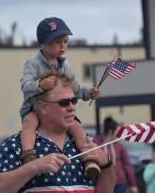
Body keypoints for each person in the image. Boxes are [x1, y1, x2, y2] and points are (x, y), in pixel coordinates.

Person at [0, 72, 116, 193]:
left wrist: (106, 164)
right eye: (64, 102)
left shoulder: (85, 142)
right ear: (43, 107)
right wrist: (34, 167)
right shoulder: (15, 144)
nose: (72, 107)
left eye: (74, 100)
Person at [19, 17, 101, 178]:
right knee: (29, 123)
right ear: (42, 43)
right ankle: (29, 156)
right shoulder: (33, 64)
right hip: (35, 108)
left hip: (59, 110)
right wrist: (40, 85)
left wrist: (88, 93)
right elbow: (25, 85)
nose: (62, 46)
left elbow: (74, 88)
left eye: (65, 41)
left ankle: (89, 159)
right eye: (56, 42)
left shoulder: (65, 65)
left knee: (76, 127)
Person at [95, 117, 138, 193]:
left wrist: (132, 184)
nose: (120, 135)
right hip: (102, 183)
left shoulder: (120, 147)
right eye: (118, 132)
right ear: (110, 131)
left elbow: (127, 166)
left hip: (120, 184)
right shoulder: (96, 144)